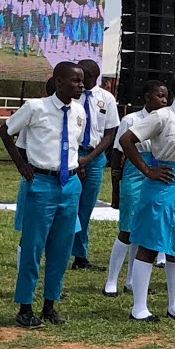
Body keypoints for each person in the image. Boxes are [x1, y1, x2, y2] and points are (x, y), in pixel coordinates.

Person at [0, 61, 87, 328]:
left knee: (61, 248)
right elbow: (5, 131)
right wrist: (21, 165)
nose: (80, 85)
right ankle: (26, 306)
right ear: (58, 81)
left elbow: (74, 144)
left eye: (82, 81)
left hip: (69, 185)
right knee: (33, 247)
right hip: (42, 183)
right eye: (75, 81)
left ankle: (50, 303)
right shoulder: (35, 108)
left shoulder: (79, 112)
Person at [119, 73, 175, 322]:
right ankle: (139, 307)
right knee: (150, 243)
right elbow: (127, 140)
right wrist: (147, 170)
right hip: (163, 185)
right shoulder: (163, 116)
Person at [104, 80, 168, 297]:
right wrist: (115, 189)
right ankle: (111, 280)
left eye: (166, 97)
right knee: (127, 229)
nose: (164, 100)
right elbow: (117, 153)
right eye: (160, 96)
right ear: (147, 98)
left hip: (157, 172)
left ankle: (132, 280)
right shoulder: (130, 120)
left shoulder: (165, 120)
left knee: (144, 232)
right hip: (134, 173)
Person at [71, 59, 121, 271]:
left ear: (92, 77)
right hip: (72, 156)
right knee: (68, 205)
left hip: (94, 156)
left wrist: (89, 160)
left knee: (85, 207)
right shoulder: (72, 97)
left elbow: (110, 134)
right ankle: (62, 249)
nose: (80, 82)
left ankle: (80, 256)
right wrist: (76, 160)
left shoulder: (106, 99)